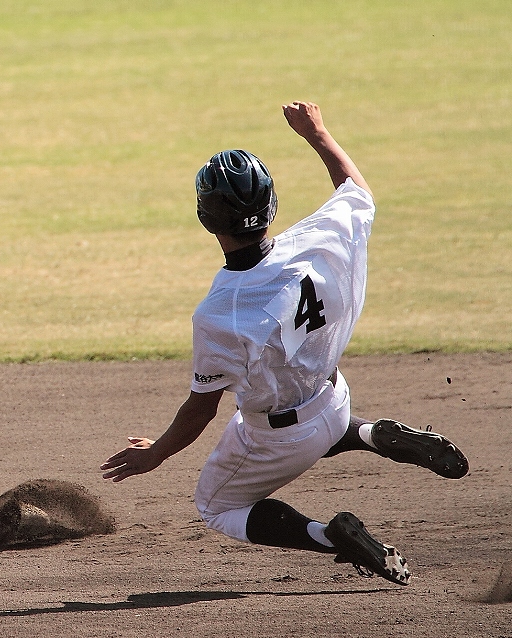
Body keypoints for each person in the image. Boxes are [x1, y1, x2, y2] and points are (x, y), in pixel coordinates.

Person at [100, 101, 468, 585]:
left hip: (280, 438)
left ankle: (328, 535)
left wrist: (157, 453)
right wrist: (317, 133)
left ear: (207, 218)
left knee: (216, 505)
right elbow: (354, 190)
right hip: (335, 400)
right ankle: (371, 434)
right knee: (311, 412)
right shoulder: (318, 238)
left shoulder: (220, 313)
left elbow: (199, 411)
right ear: (270, 206)